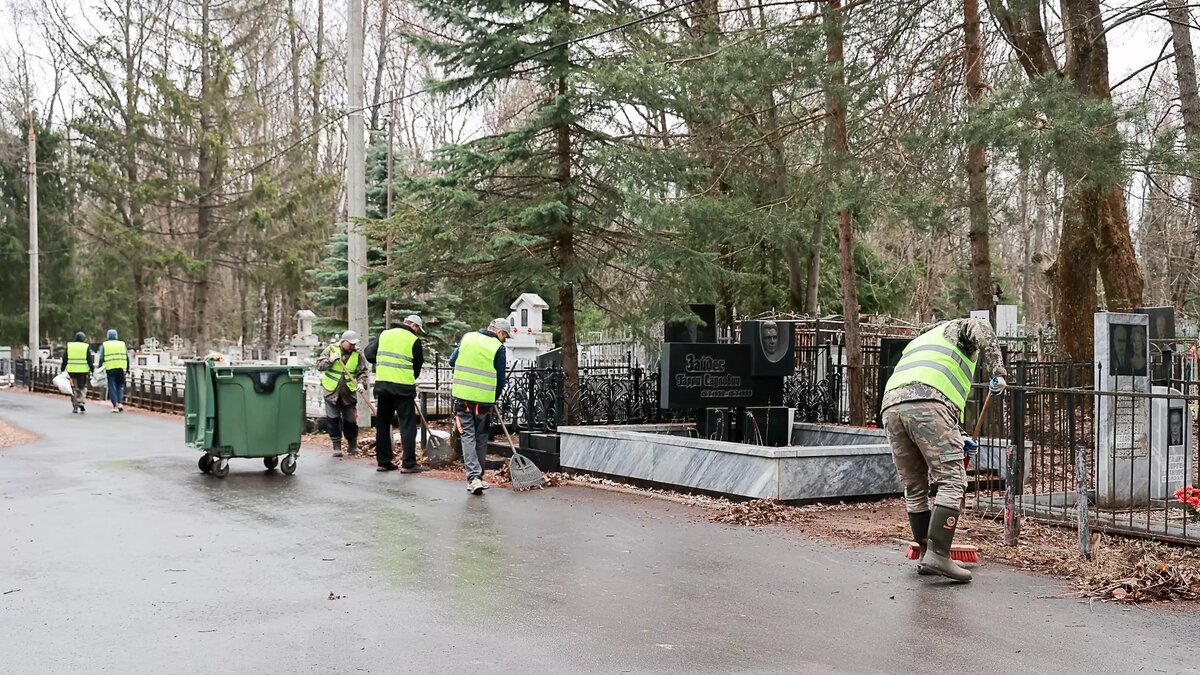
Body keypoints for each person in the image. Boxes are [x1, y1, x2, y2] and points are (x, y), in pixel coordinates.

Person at [881, 317, 1007, 583]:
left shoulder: (920, 342)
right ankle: (938, 553)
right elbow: (981, 326)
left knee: (914, 485)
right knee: (952, 481)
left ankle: (926, 552)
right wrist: (998, 372)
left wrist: (959, 436)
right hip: (930, 406)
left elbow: (922, 390)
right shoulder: (956, 328)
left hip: (892, 408)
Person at [450, 318, 509, 495]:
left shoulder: (467, 337)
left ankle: (474, 478)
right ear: (499, 332)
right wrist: (494, 397)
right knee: (481, 437)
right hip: (483, 402)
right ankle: (477, 477)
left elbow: (452, 361)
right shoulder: (498, 347)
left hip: (462, 398)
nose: (504, 340)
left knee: (468, 437)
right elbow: (501, 379)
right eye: (505, 336)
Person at [365, 315, 427, 473]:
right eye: (418, 329)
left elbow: (369, 354)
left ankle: (383, 462)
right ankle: (408, 463)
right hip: (403, 389)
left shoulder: (385, 334)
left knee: (383, 425)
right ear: (414, 326)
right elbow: (417, 365)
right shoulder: (413, 340)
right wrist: (408, 376)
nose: (418, 333)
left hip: (383, 387)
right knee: (407, 426)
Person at [315, 330, 368, 458]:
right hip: (331, 391)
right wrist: (330, 360)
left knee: (350, 420)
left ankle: (352, 445)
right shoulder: (330, 350)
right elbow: (319, 366)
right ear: (343, 341)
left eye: (354, 344)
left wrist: (361, 383)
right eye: (350, 344)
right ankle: (337, 446)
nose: (353, 346)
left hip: (348, 392)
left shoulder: (358, 353)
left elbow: (362, 371)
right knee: (333, 419)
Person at [96, 329, 130, 412]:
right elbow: (127, 357)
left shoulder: (105, 345)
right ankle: (120, 402)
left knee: (112, 386)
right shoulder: (122, 344)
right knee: (120, 386)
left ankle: (115, 405)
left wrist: (99, 367)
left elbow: (101, 358)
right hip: (121, 368)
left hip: (110, 368)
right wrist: (128, 368)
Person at [62, 331, 95, 414]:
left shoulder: (70, 346)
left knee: (73, 389)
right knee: (82, 388)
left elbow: (65, 358)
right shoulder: (85, 346)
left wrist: (62, 369)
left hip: (72, 372)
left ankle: (75, 406)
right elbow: (89, 360)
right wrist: (92, 370)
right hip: (83, 372)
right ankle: (81, 401)